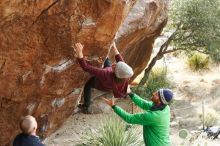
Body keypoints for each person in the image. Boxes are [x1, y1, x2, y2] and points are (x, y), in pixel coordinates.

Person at [74, 42, 134, 114]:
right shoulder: (124, 74)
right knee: (106, 59)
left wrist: (79, 52)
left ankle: (86, 106)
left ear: (115, 73)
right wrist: (114, 46)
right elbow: (119, 58)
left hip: (101, 84)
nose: (114, 64)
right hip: (110, 80)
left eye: (115, 66)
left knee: (88, 85)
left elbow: (86, 67)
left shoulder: (105, 74)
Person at [102, 88, 174, 146]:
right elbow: (143, 104)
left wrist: (114, 106)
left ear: (160, 101)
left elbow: (129, 118)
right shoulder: (165, 107)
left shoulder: (153, 116)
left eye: (156, 94)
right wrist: (130, 93)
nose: (153, 93)